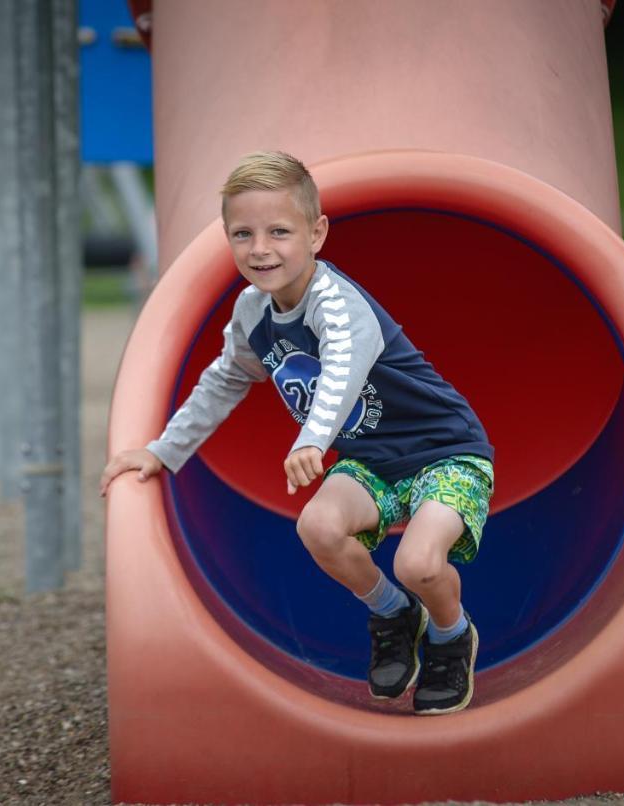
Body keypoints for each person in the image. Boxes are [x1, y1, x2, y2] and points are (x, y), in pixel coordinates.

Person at [99, 151, 494, 715]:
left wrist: (311, 440)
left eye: (279, 231)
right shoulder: (251, 313)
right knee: (318, 526)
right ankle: (392, 612)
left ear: (317, 233)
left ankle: (452, 637)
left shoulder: (337, 305)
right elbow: (224, 379)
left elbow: (340, 373)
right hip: (373, 461)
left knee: (418, 563)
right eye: (243, 233)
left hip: (446, 454)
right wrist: (163, 451)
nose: (260, 248)